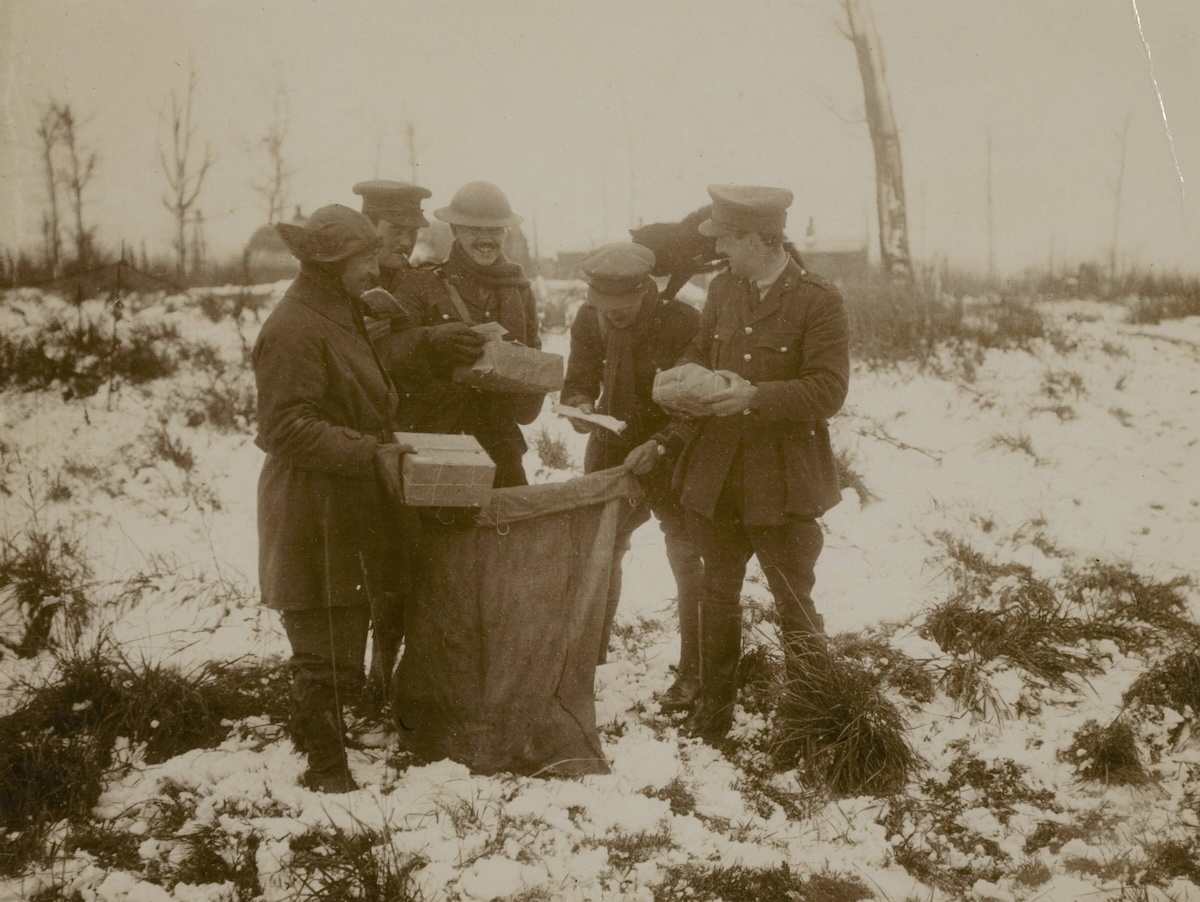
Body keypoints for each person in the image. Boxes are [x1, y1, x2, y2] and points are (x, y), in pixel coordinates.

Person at [626, 185, 850, 744]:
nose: (718, 250)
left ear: (757, 238)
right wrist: (682, 377)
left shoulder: (818, 299)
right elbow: (701, 350)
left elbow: (828, 390)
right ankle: (713, 713)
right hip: (717, 473)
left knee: (793, 600)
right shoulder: (725, 289)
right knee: (716, 594)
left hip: (783, 477)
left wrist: (754, 396)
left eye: (726, 239)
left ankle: (812, 716)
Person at [254, 204, 417, 792]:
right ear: (330, 264)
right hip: (311, 500)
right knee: (325, 637)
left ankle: (315, 734)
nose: (375, 267)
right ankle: (326, 770)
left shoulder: (341, 310)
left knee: (345, 621)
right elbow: (284, 427)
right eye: (364, 257)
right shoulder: (293, 327)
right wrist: (371, 452)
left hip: (346, 491)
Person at [560, 242, 704, 709]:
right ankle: (588, 661)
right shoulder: (589, 319)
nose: (613, 314)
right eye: (605, 305)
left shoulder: (681, 322)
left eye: (623, 305)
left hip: (673, 450)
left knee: (687, 554)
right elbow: (578, 380)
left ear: (645, 290)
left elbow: (697, 403)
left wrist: (661, 443)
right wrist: (581, 406)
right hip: (611, 450)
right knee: (599, 550)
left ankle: (695, 671)